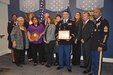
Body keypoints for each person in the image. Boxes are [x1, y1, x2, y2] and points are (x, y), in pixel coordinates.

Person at [91, 8, 109, 75]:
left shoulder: (104, 21)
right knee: (93, 61)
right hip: (93, 45)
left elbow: (105, 35)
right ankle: (94, 73)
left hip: (99, 45)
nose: (94, 13)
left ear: (100, 13)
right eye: (94, 12)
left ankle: (97, 73)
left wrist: (101, 45)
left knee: (98, 62)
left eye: (96, 12)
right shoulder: (95, 21)